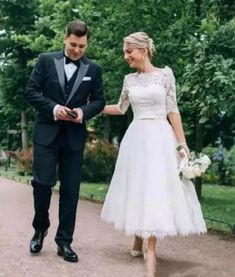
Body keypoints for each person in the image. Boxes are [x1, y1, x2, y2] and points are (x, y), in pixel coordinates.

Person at [101, 32, 206, 276]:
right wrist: (93, 108)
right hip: (136, 138)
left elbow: (173, 109)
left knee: (155, 187)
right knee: (139, 186)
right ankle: (139, 239)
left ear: (144, 50)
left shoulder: (165, 75)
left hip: (160, 137)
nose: (125, 56)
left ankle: (150, 251)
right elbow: (121, 108)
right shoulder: (129, 80)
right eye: (124, 51)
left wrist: (182, 144)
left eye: (129, 51)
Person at [25, 20, 105, 262]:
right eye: (73, 45)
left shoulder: (94, 69)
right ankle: (40, 229)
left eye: (82, 46)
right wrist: (55, 108)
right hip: (46, 134)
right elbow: (30, 92)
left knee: (71, 190)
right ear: (65, 39)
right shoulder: (45, 60)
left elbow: (99, 101)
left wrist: (83, 113)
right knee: (41, 184)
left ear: (87, 43)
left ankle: (64, 242)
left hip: (74, 138)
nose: (77, 50)